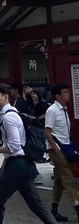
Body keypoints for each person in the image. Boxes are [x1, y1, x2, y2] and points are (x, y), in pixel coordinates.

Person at [0, 83, 56, 224]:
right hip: (24, 164)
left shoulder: (8, 117)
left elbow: (14, 145)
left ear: (5, 97)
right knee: (36, 205)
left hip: (17, 165)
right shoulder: (12, 113)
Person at [45, 84, 79, 222]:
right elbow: (48, 133)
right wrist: (56, 148)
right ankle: (77, 207)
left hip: (65, 146)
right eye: (65, 92)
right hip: (56, 149)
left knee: (59, 180)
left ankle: (54, 210)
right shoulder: (52, 110)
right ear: (57, 95)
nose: (68, 94)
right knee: (67, 176)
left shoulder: (64, 110)